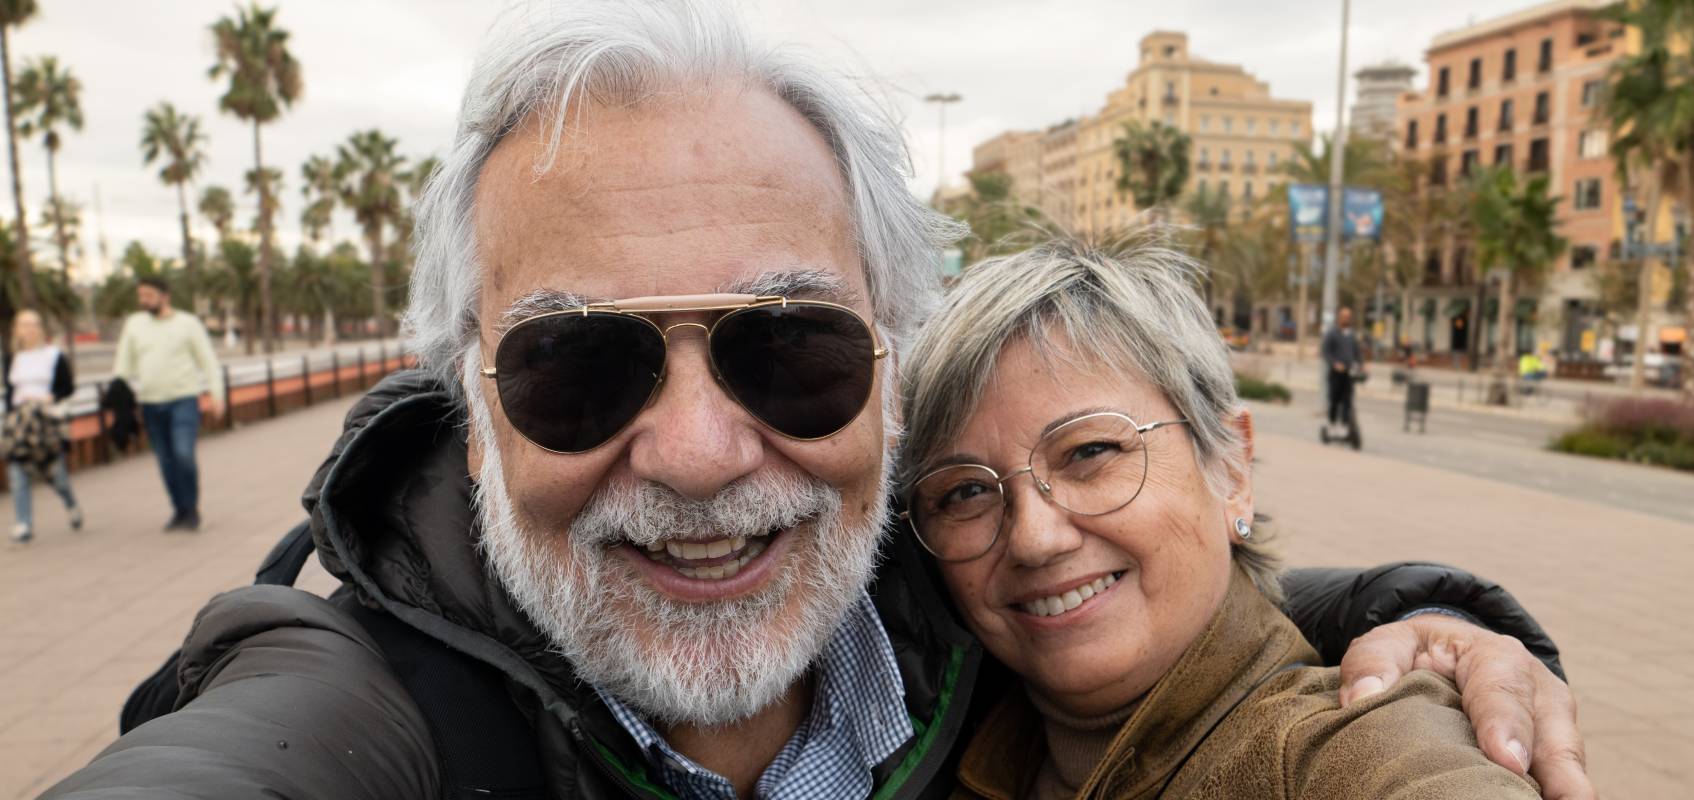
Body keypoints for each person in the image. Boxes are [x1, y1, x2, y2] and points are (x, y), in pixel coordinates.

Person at [44, 3, 1593, 799]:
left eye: (791, 350)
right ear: (472, 402)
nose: (706, 454)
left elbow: (1147, 617)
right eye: (579, 367)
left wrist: (1413, 611)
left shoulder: (967, 641)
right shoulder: (362, 705)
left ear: (892, 377)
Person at [902, 238, 1536, 798]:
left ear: (1231, 468)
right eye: (963, 494)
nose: (1034, 538)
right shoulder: (939, 741)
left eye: (1091, 452)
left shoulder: (1341, 745)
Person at [111, 276, 223, 531]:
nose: (144, 301)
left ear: (164, 296)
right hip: (150, 403)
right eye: (141, 296)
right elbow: (123, 364)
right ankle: (179, 510)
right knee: (165, 461)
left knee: (184, 455)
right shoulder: (134, 324)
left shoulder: (188, 323)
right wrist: (117, 398)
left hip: (183, 399)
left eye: (149, 295)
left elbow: (207, 360)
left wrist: (217, 393)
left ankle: (192, 508)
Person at [3, 310, 83, 543]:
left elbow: (67, 387)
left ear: (41, 328)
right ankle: (23, 524)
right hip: (19, 422)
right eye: (24, 325)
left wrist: (51, 397)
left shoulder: (54, 355)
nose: (29, 330)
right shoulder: (12, 357)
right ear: (16, 329)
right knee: (17, 472)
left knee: (55, 473)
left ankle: (71, 503)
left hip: (46, 420)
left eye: (33, 324)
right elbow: (10, 391)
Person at [1322, 306, 1362, 434]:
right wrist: (1334, 364)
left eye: (1348, 317)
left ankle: (1344, 425)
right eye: (1344, 316)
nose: (1346, 319)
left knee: (1347, 400)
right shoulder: (1331, 333)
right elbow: (1326, 352)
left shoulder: (1351, 334)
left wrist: (1361, 364)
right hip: (1336, 374)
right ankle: (1332, 423)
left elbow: (1357, 352)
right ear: (1339, 317)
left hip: (1349, 373)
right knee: (1334, 399)